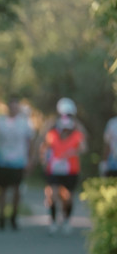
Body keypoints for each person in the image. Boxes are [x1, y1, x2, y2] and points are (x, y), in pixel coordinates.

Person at [40, 97, 87, 235]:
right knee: (53, 194)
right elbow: (44, 147)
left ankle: (66, 219)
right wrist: (43, 159)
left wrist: (73, 151)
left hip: (71, 170)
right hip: (54, 169)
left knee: (68, 197)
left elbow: (84, 147)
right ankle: (53, 221)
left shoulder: (77, 134)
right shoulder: (52, 133)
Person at [0, 96, 34, 230]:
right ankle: (1, 216)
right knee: (1, 190)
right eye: (11, 106)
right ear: (8, 107)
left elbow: (29, 143)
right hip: (2, 160)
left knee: (17, 190)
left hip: (19, 161)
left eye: (16, 107)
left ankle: (14, 215)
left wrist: (30, 160)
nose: (13, 109)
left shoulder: (25, 123)